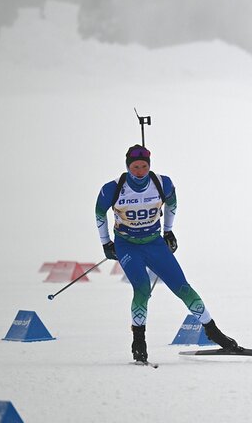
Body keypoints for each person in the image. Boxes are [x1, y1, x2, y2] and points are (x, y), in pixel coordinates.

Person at [95, 144, 241, 362]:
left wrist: (169, 231)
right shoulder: (113, 188)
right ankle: (139, 341)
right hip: (128, 246)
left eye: (144, 166)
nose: (140, 171)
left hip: (154, 243)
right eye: (135, 167)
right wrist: (106, 243)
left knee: (183, 287)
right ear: (128, 167)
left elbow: (172, 203)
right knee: (142, 288)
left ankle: (212, 331)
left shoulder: (162, 183)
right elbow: (99, 213)